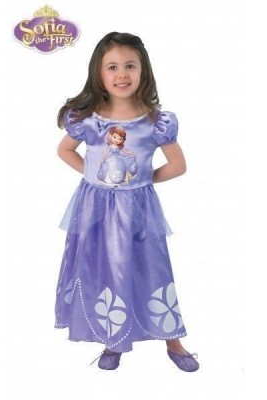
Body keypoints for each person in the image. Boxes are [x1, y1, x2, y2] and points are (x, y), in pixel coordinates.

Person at [54, 32, 199, 372]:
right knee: (104, 269)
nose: (122, 74)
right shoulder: (88, 119)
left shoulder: (155, 122)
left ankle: (172, 340)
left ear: (143, 70)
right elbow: (64, 151)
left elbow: (178, 165)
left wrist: (141, 181)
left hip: (138, 211)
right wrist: (95, 177)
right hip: (96, 211)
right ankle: (113, 339)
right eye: (113, 67)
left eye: (130, 66)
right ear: (99, 73)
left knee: (153, 268)